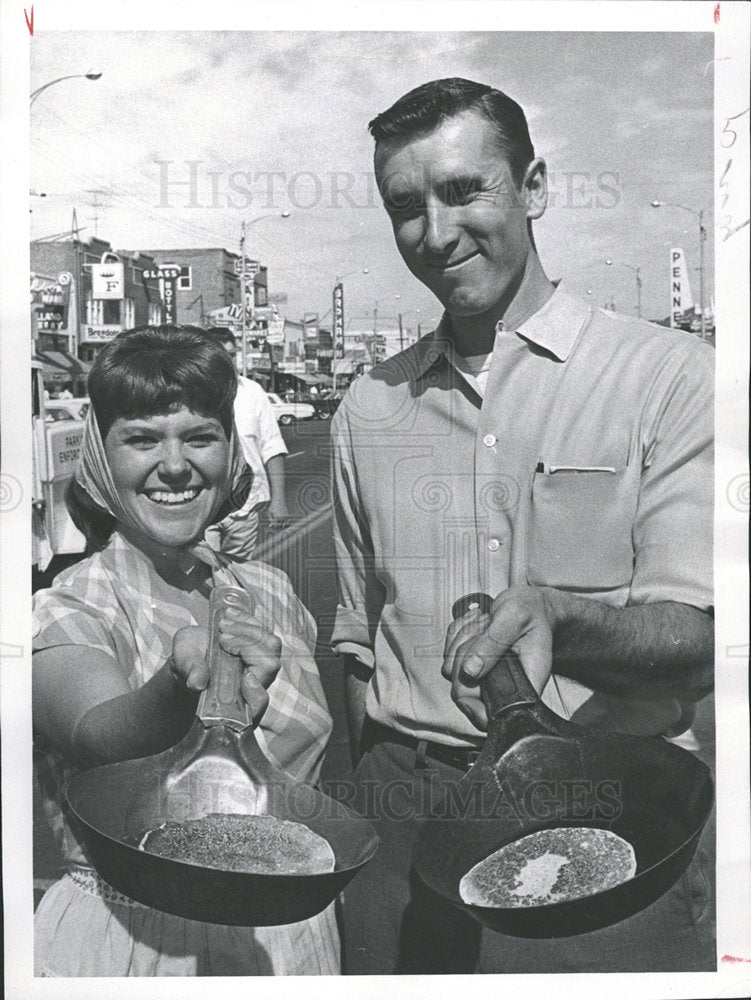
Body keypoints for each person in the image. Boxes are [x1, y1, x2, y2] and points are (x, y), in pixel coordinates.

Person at [331, 78, 714, 974]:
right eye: (405, 208)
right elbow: (355, 639)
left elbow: (700, 638)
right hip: (406, 811)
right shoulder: (365, 404)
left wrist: (561, 618)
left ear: (532, 187)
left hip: (605, 801)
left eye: (466, 190)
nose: (435, 233)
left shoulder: (670, 377)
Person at [32, 325, 339, 976]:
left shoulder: (270, 591)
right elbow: (98, 734)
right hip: (138, 948)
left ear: (229, 453)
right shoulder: (72, 603)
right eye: (141, 439)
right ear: (99, 459)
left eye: (198, 436)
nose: (174, 465)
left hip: (294, 939)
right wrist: (177, 685)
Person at [203, 328, 290, 560]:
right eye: (221, 356)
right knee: (201, 577)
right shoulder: (190, 393)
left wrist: (279, 500)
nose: (228, 362)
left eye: (231, 355)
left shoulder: (253, 392)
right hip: (202, 508)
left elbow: (272, 446)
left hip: (245, 508)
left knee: (238, 578)